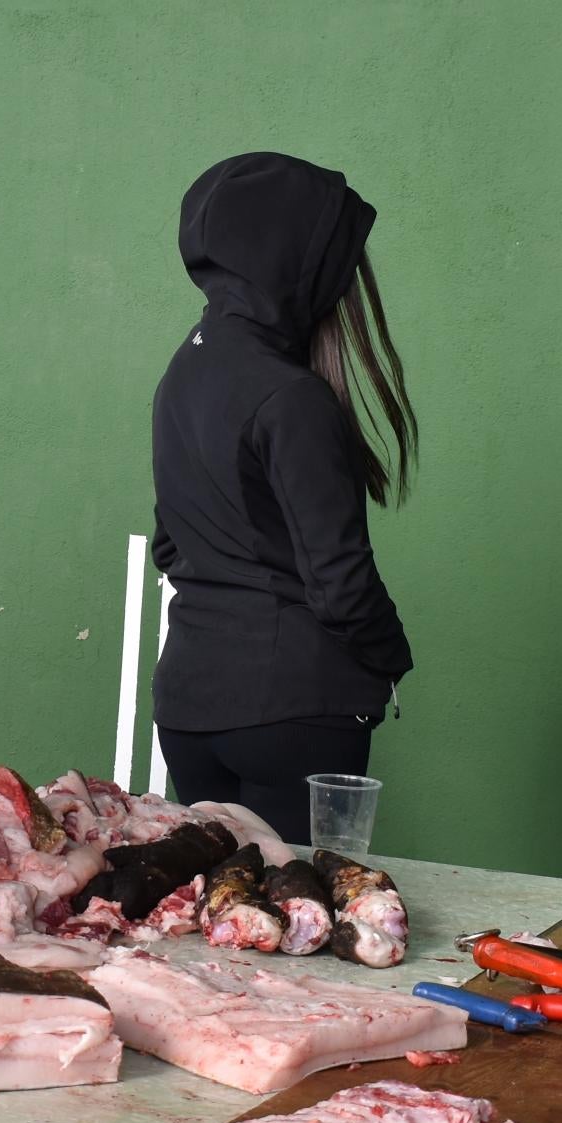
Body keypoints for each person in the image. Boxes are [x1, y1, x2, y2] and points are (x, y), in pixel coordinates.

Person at [149, 151, 415, 844]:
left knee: (226, 931)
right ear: (301, 264)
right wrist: (392, 658)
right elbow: (341, 586)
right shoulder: (293, 397)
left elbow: (170, 544)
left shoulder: (183, 372)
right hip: (293, 714)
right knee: (296, 930)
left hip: (187, 708)